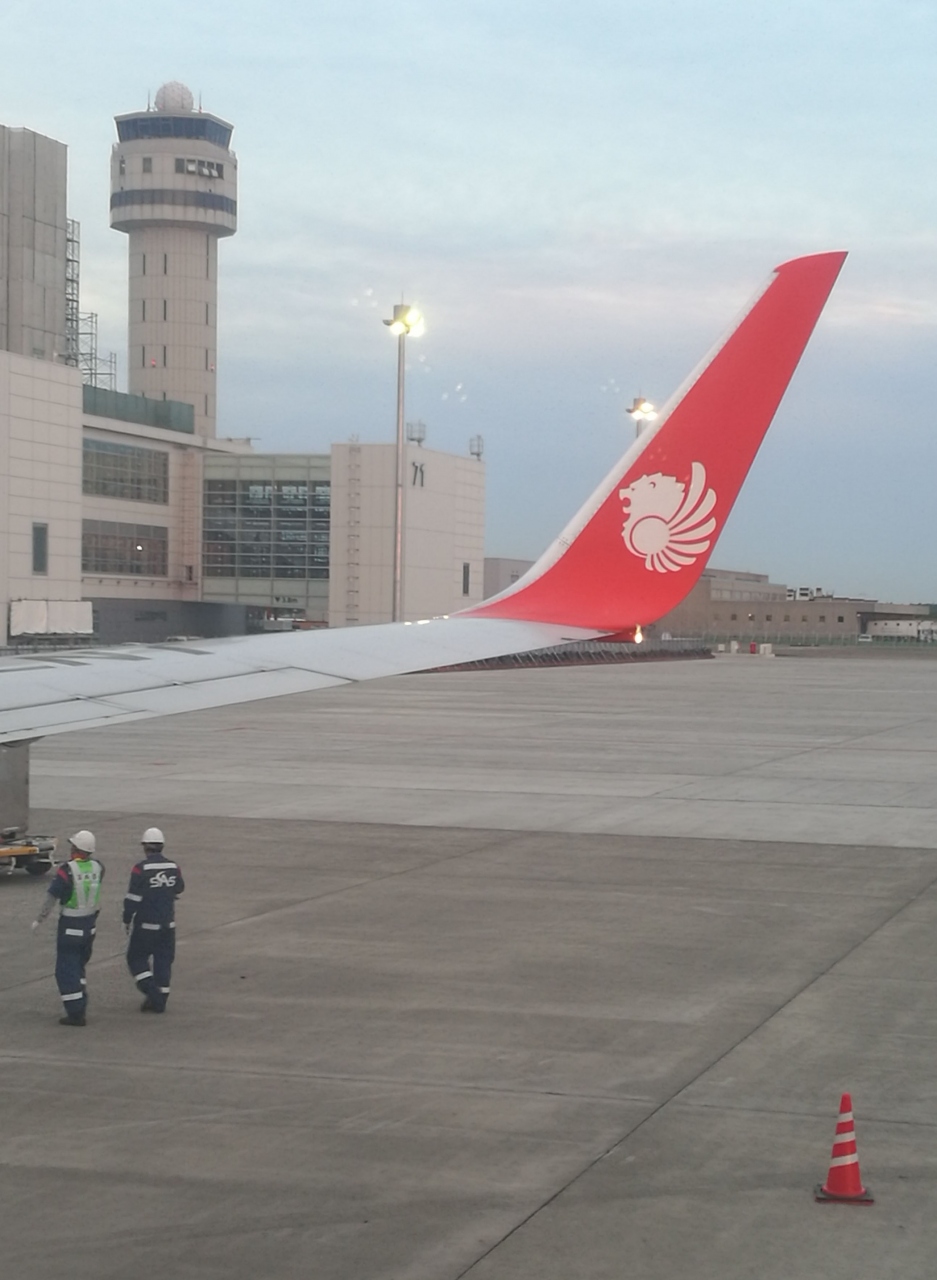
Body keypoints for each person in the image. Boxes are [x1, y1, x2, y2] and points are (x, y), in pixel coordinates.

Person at [32, 830, 104, 1026]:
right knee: (78, 967)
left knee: (66, 970)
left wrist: (40, 919)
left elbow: (52, 897)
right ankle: (81, 1000)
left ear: (76, 849)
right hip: (89, 928)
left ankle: (75, 1012)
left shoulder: (67, 870)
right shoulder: (98, 867)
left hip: (70, 928)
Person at [123, 827, 184, 1013]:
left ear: (145, 847)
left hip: (146, 926)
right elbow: (180, 888)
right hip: (168, 925)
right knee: (163, 961)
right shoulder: (173, 867)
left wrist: (126, 918)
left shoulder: (140, 868)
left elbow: (133, 898)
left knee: (136, 958)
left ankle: (153, 993)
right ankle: (161, 999)